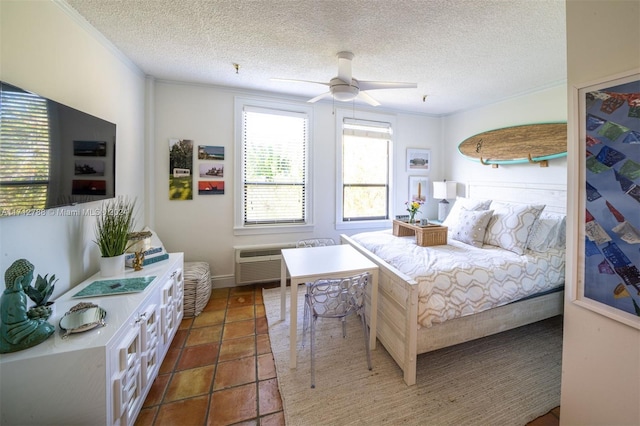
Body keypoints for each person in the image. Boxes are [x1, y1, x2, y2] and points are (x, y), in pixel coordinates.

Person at [0, 259, 55, 353]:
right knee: (46, 328)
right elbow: (19, 325)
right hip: (14, 334)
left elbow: (18, 317)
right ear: (20, 280)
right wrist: (37, 322)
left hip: (7, 330)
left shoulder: (6, 294)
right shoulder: (17, 296)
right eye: (31, 276)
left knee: (44, 325)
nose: (33, 278)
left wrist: (32, 317)